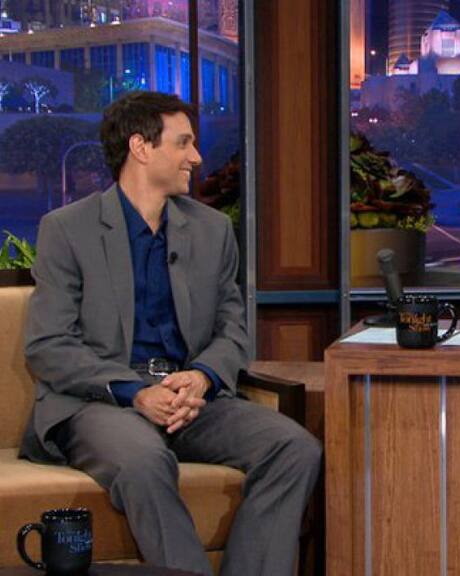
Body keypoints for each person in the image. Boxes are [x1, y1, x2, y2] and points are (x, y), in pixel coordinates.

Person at [20, 91, 321, 576]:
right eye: (183, 143)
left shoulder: (211, 230)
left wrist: (202, 377)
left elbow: (232, 328)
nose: (196, 157)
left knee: (294, 448)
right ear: (140, 147)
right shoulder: (68, 229)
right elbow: (49, 344)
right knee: (143, 460)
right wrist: (136, 392)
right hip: (103, 403)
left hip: (189, 399)